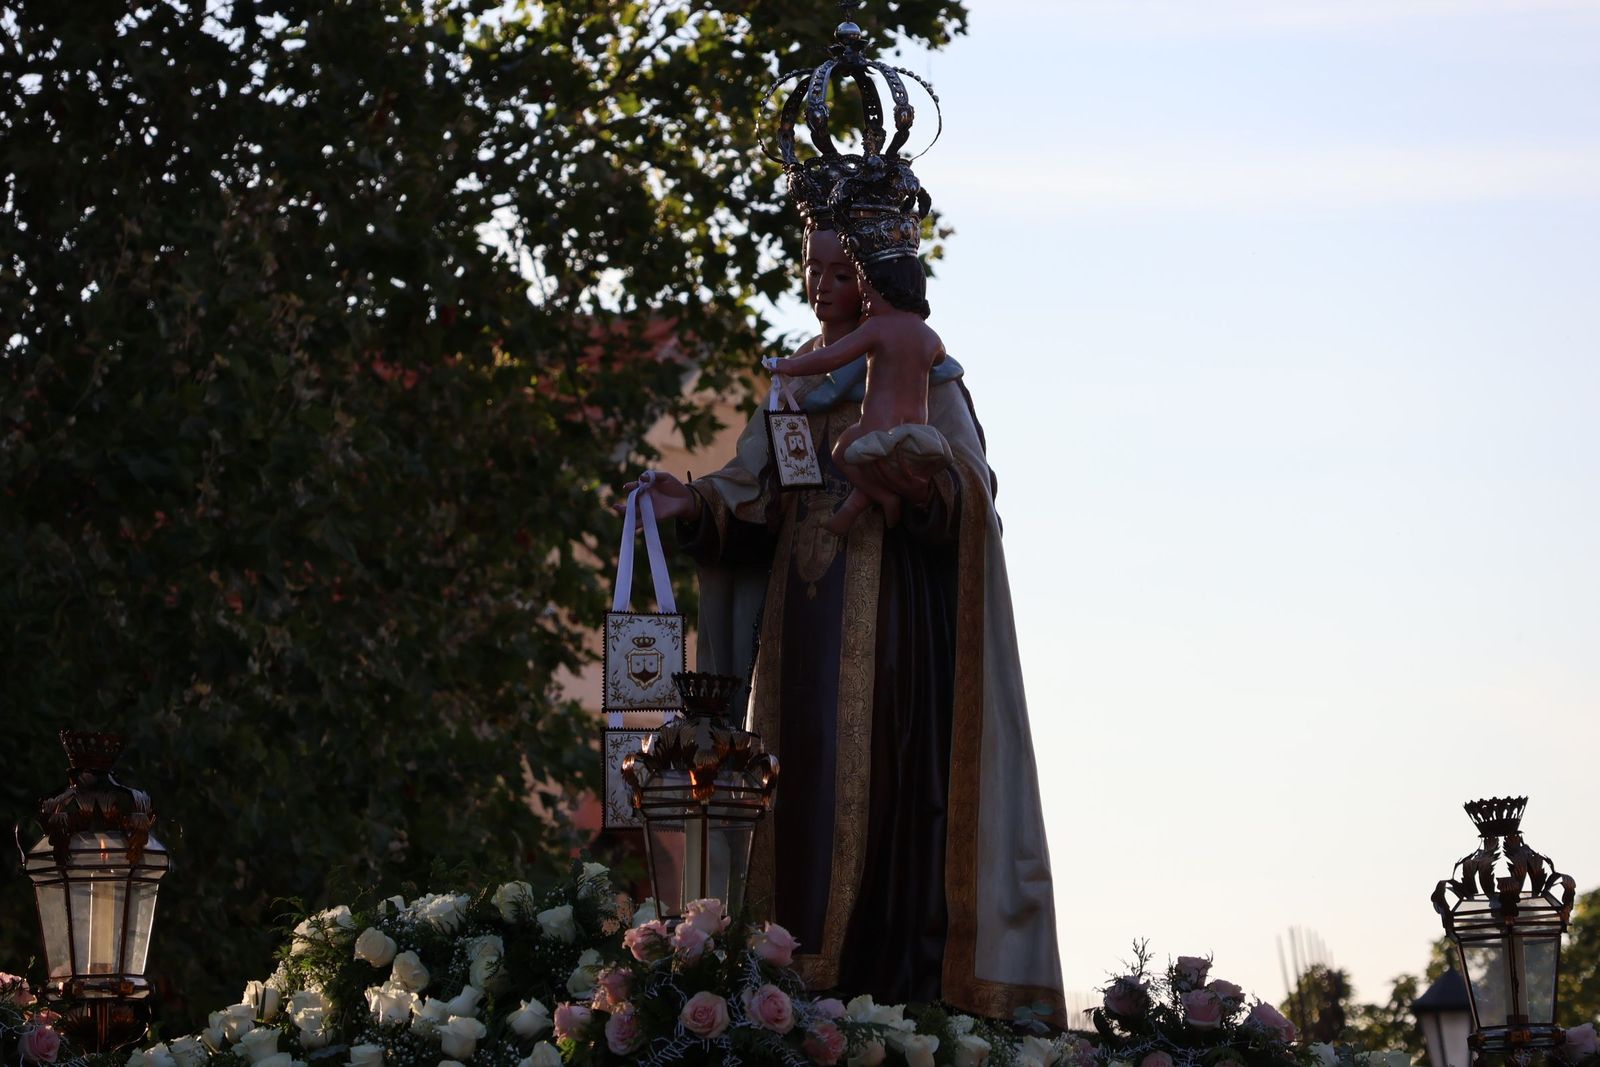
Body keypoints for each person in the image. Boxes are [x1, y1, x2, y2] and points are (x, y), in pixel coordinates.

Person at [615, 204, 1066, 1026]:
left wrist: (923, 488)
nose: (820, 287)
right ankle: (792, 981)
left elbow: (971, 488)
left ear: (871, 280)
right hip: (800, 629)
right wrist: (696, 502)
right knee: (795, 782)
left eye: (838, 272)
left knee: (882, 788)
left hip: (892, 623)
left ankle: (882, 991)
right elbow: (753, 492)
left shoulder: (928, 375)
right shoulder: (793, 387)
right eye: (810, 269)